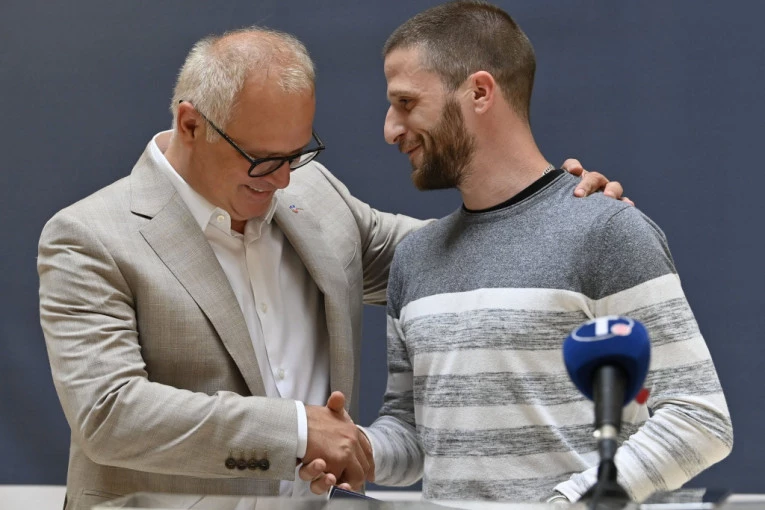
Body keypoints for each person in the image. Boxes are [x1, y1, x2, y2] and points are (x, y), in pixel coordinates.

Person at [38, 26, 625, 510]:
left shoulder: (314, 196)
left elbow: (448, 257)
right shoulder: (90, 236)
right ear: (191, 125)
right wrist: (298, 430)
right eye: (263, 160)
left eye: (296, 154)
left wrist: (558, 217)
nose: (283, 180)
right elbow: (110, 414)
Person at [300, 0, 733, 504]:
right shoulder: (415, 258)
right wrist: (357, 448)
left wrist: (569, 502)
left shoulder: (608, 231)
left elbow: (699, 418)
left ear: (480, 92)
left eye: (407, 103)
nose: (390, 129)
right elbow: (416, 432)